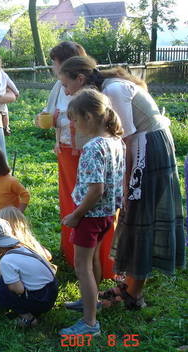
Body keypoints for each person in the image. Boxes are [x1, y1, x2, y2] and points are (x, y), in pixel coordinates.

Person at [59, 56, 185, 311]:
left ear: (80, 79)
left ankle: (133, 293)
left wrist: (126, 187)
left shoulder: (112, 91)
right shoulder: (108, 88)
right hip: (143, 147)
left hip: (148, 150)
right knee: (135, 215)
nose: (65, 90)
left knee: (140, 215)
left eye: (66, 84)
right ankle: (129, 286)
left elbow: (125, 139)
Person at [35, 42, 112, 277]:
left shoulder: (93, 90)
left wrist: (65, 121)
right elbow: (51, 112)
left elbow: (95, 119)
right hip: (67, 150)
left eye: (55, 61)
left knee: (91, 204)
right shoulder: (61, 85)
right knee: (71, 201)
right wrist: (46, 120)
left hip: (87, 151)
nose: (52, 66)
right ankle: (73, 255)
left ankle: (102, 262)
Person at [58, 89, 125, 336]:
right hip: (107, 215)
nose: (73, 125)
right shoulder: (115, 141)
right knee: (93, 259)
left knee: (82, 266)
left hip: (90, 216)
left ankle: (89, 323)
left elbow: (96, 189)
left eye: (74, 120)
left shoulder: (93, 147)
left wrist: (77, 215)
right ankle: (92, 302)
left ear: (88, 116)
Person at [0, 217, 58, 328]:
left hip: (41, 300)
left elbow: (18, 289)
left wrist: (2, 276)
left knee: (1, 285)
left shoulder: (6, 261)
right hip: (51, 292)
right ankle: (32, 311)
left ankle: (28, 318)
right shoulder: (23, 248)